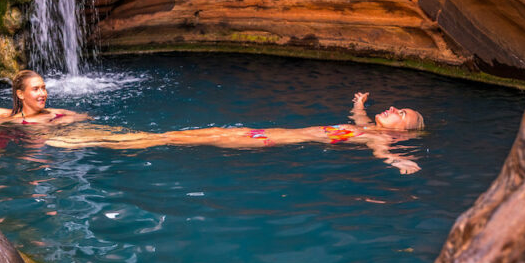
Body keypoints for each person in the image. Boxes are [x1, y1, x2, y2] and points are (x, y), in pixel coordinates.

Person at [46, 92, 424, 174]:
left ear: (402, 133)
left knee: (170, 138)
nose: (393, 109)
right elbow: (358, 119)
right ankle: (96, 135)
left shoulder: (380, 139)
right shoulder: (367, 127)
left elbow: (381, 154)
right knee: (177, 135)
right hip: (258, 133)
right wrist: (359, 103)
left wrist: (399, 161)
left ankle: (91, 138)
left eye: (401, 114)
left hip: (267, 140)